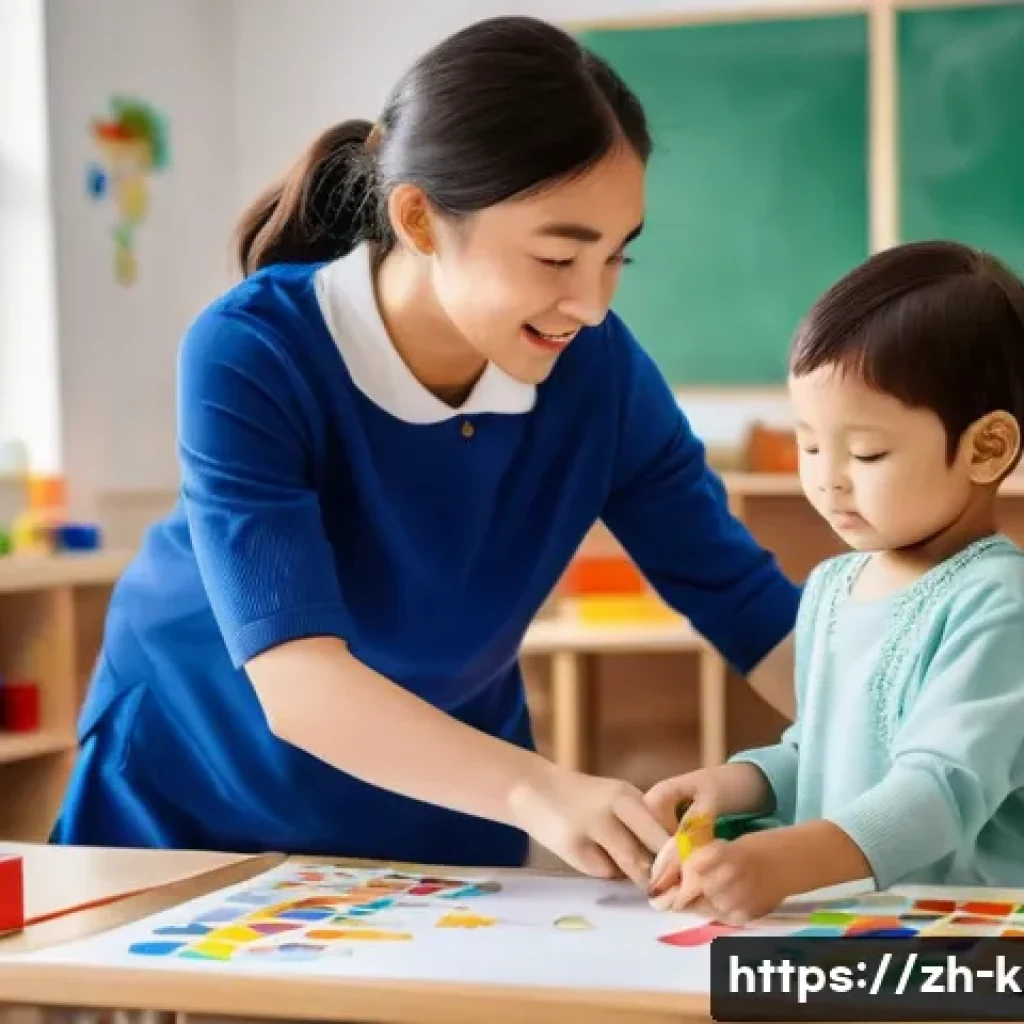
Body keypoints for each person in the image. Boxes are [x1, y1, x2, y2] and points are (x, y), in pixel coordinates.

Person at [51, 15, 799, 884]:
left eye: (617, 260)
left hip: (444, 789)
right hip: (196, 784)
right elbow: (298, 683)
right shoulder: (252, 349)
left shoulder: (600, 375)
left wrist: (915, 747)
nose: (592, 304)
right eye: (559, 257)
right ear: (419, 219)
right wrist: (538, 791)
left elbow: (749, 607)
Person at [647, 240, 1024, 921]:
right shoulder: (831, 586)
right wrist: (736, 786)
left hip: (965, 933)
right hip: (858, 921)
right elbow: (821, 751)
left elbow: (937, 789)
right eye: (811, 444)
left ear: (987, 448)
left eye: (866, 451)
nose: (827, 477)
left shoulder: (999, 603)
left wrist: (783, 862)